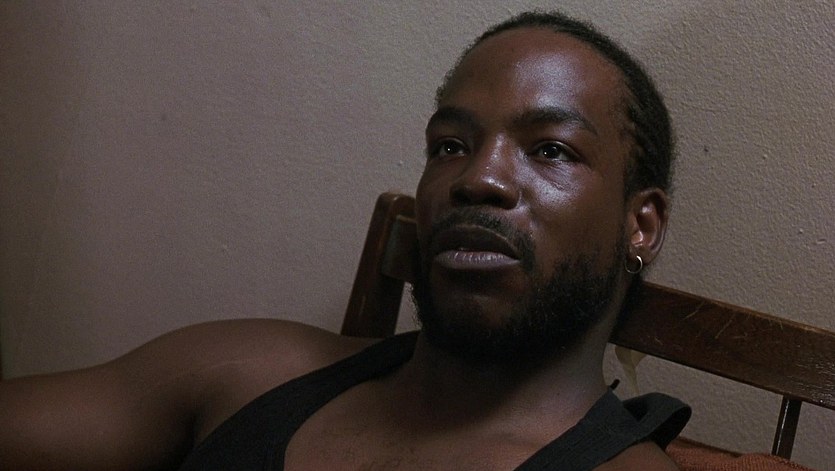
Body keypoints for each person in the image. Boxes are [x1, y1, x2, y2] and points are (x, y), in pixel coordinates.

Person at [0, 10, 689, 470]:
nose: (477, 178)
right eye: (450, 145)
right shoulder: (245, 371)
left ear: (641, 224)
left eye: (550, 150)